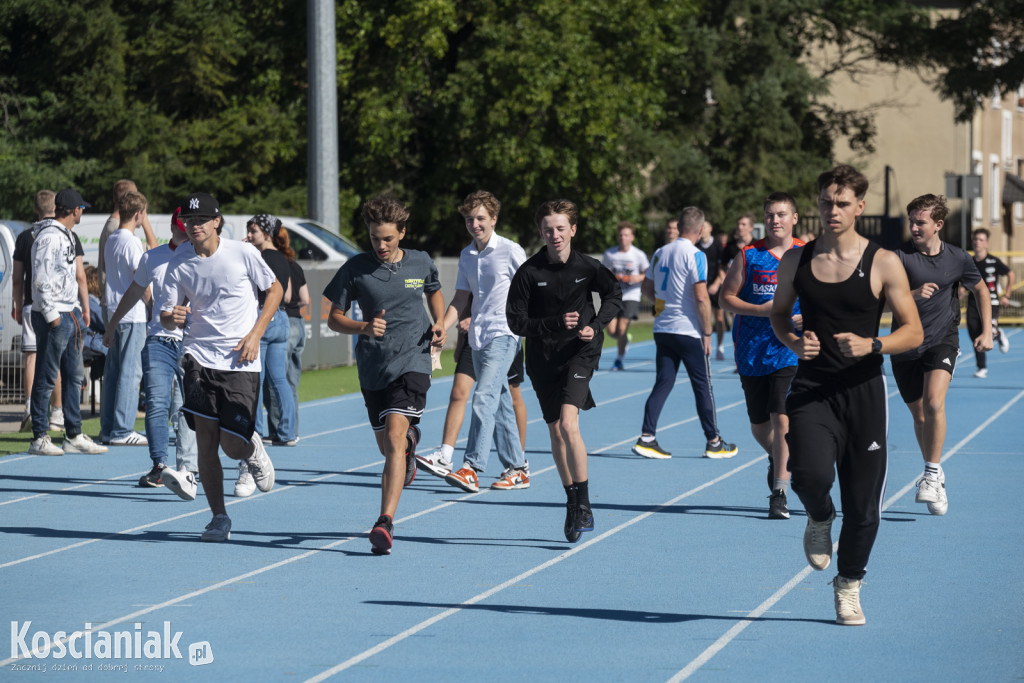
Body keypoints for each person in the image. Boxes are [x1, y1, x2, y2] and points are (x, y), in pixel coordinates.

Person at [770, 164, 923, 626]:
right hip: (814, 388)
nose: (831, 210)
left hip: (863, 393)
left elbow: (913, 330)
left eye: (841, 203)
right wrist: (796, 343)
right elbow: (779, 316)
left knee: (864, 507)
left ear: (860, 207)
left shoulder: (883, 261)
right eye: (825, 202)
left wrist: (873, 344)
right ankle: (819, 516)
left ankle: (849, 583)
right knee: (807, 477)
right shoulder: (796, 260)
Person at [323, 194, 446, 555]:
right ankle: (409, 449)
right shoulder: (355, 268)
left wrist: (438, 322)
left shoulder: (421, 263)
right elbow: (333, 318)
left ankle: (384, 522)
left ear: (402, 234)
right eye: (375, 238)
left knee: (393, 437)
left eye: (388, 238)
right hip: (374, 366)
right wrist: (362, 327)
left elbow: (434, 292)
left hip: (414, 360)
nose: (381, 245)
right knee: (388, 445)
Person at [160, 192, 281, 542]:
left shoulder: (242, 253)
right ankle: (218, 518)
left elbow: (274, 291)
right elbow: (167, 315)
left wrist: (256, 333)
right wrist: (173, 315)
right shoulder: (178, 262)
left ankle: (252, 448)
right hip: (198, 358)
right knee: (206, 441)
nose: (193, 226)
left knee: (232, 445)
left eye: (200, 220)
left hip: (241, 360)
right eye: (188, 220)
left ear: (217, 221)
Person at [506, 199, 622, 542]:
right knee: (556, 431)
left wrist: (596, 325)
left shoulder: (589, 267)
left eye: (560, 228)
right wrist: (555, 322)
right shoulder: (529, 272)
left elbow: (614, 295)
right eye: (547, 229)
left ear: (573, 230)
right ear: (540, 232)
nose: (554, 234)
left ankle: (584, 505)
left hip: (580, 353)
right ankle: (571, 501)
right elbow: (516, 321)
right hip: (543, 359)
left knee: (570, 424)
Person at [422, 191, 530, 493]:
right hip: (478, 336)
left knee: (483, 397)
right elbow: (461, 297)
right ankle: (518, 468)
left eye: (481, 218)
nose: (475, 224)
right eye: (470, 219)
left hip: (505, 334)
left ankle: (471, 467)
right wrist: (443, 325)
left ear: (493, 219)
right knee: (501, 403)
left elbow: (529, 289)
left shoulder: (510, 250)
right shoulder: (467, 255)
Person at [890, 194, 991, 516]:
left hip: (941, 339)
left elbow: (981, 290)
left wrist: (986, 330)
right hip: (904, 343)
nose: (914, 227)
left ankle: (931, 474)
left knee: (934, 402)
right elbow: (877, 297)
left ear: (938, 225)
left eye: (921, 222)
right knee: (920, 417)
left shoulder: (958, 259)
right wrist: (911, 295)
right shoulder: (897, 258)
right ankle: (934, 470)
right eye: (912, 221)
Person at [720, 192, 804, 519]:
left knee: (781, 417)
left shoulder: (805, 254)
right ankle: (778, 458)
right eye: (770, 215)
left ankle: (779, 493)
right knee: (759, 426)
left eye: (782, 214)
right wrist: (759, 310)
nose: (775, 220)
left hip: (789, 349)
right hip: (752, 350)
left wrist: (806, 317)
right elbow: (726, 299)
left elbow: (822, 296)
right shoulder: (749, 255)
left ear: (794, 218)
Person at [104, 209, 199, 497]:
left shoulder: (202, 258)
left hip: (192, 341)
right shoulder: (153, 256)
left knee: (187, 409)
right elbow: (134, 291)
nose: (189, 234)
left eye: (192, 228)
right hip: (159, 338)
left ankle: (188, 470)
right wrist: (112, 324)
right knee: (157, 402)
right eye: (184, 228)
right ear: (174, 227)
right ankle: (159, 465)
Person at [632, 206, 738, 461]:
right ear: (701, 230)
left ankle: (647, 436)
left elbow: (647, 287)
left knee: (664, 382)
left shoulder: (660, 252)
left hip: (663, 328)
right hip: (688, 330)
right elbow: (702, 298)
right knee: (703, 386)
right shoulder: (696, 255)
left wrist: (661, 305)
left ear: (678, 227)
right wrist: (708, 333)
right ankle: (713, 441)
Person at [27, 189, 108, 456]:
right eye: (81, 208)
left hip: (68, 312)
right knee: (47, 376)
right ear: (74, 210)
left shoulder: (66, 236)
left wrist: (75, 309)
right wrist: (51, 316)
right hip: (56, 315)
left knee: (74, 376)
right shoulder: (50, 237)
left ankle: (73, 434)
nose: (82, 212)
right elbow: (40, 276)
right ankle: (39, 436)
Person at [415, 301, 529, 479]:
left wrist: (480, 319)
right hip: (474, 338)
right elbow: (464, 299)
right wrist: (459, 340)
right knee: (458, 393)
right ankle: (445, 456)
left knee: (509, 398)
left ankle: (518, 461)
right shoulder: (469, 271)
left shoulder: (511, 273)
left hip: (503, 335)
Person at [12, 190, 76, 433]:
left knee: (33, 357)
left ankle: (30, 407)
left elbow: (18, 279)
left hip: (33, 303)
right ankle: (56, 412)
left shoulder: (26, 236)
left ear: (35, 209)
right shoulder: (62, 234)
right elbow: (79, 274)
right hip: (54, 306)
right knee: (54, 361)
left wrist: (17, 305)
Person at [243, 214, 296, 458]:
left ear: (266, 233)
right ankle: (287, 433)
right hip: (282, 318)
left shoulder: (260, 256)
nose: (250, 235)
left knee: (256, 378)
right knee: (279, 379)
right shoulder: (284, 258)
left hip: (264, 317)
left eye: (253, 231)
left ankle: (257, 432)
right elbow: (285, 296)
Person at [100, 191, 151, 446]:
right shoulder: (131, 242)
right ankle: (122, 429)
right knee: (131, 373)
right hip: (132, 314)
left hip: (114, 312)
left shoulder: (111, 239)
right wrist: (152, 305)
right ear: (139, 214)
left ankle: (108, 427)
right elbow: (139, 280)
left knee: (114, 372)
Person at [266, 241, 309, 441]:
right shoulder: (295, 266)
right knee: (289, 382)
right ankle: (292, 430)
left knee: (275, 379)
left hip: (282, 319)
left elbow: (286, 295)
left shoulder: (271, 263)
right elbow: (305, 299)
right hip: (298, 323)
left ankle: (278, 430)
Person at [97, 179, 157, 323]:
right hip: (125, 309)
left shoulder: (113, 227)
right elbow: (153, 252)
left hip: (114, 305)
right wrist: (144, 219)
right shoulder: (121, 231)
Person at [967, 228, 1015, 377]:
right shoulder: (969, 262)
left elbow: (1010, 273)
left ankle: (998, 334)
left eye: (981, 240)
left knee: (989, 330)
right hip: (973, 304)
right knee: (975, 335)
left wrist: (1006, 294)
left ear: (986, 243)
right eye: (975, 239)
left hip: (991, 302)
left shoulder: (993, 261)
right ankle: (982, 367)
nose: (977, 243)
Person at [602, 221, 650, 371]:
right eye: (621, 235)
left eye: (626, 235)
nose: (623, 237)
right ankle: (625, 340)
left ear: (632, 237)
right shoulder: (610, 254)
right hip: (613, 295)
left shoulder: (638, 255)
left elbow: (649, 273)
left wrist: (638, 278)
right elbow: (603, 272)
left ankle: (619, 360)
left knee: (622, 329)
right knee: (611, 331)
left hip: (631, 295)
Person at [697, 219, 727, 361]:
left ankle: (720, 345)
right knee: (703, 317)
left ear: (710, 229)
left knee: (719, 318)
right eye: (700, 227)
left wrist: (717, 283)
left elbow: (723, 267)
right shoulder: (696, 246)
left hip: (716, 285)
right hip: (701, 285)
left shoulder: (717, 245)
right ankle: (703, 346)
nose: (702, 229)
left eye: (705, 227)